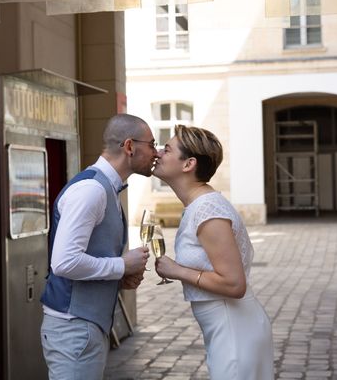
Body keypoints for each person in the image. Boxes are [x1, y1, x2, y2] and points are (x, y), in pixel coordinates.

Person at [40, 113, 156, 379]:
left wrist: (120, 277)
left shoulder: (107, 188)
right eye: (151, 144)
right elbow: (64, 262)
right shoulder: (91, 190)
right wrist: (122, 265)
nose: (156, 152)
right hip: (74, 328)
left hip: (85, 327)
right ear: (129, 146)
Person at [154, 125, 274, 380]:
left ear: (189, 164)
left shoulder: (208, 209)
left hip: (234, 328)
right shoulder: (199, 205)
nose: (158, 154)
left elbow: (234, 284)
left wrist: (178, 271)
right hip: (225, 327)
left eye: (166, 150)